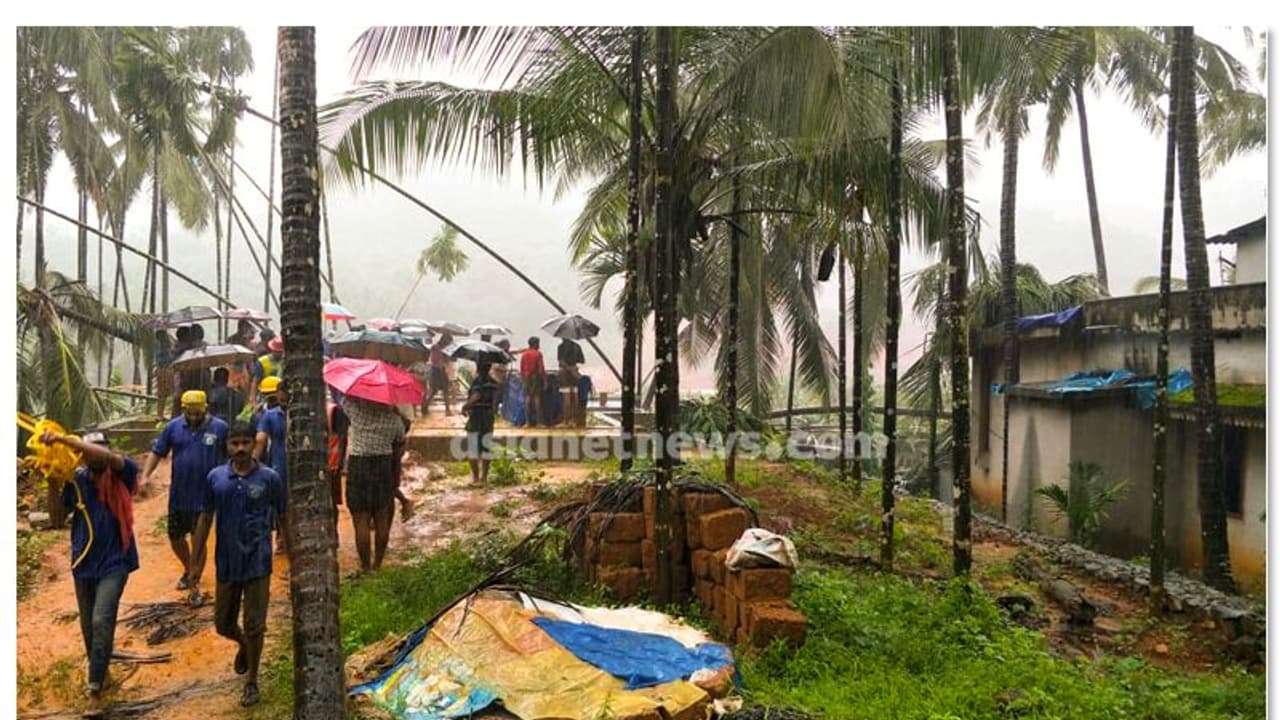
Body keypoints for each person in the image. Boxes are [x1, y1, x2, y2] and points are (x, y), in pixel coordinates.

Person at [189, 421, 286, 708]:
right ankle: (243, 644)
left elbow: (284, 517)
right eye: (235, 443)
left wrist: (293, 558)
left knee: (255, 625)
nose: (241, 448)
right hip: (227, 562)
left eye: (246, 442)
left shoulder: (269, 478)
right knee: (223, 624)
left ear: (254, 444)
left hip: (258, 562)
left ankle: (252, 681)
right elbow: (205, 519)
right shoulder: (215, 478)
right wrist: (194, 563)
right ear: (227, 446)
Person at [43, 429, 139, 713]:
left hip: (115, 561)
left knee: (101, 619)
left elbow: (105, 456)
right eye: (87, 450)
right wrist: (53, 482)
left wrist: (64, 440)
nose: (92, 455)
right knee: (89, 626)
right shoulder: (77, 479)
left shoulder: (123, 470)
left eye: (97, 448)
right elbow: (57, 519)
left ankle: (94, 688)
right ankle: (101, 669)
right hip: (83, 562)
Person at [141, 390, 228, 606]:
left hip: (206, 496)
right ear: (183, 410)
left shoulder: (219, 428)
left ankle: (194, 583)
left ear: (205, 408)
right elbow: (157, 452)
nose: (194, 416)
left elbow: (230, 456)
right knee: (175, 537)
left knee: (199, 539)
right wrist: (145, 476)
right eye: (190, 412)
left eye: (198, 412)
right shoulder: (173, 427)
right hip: (180, 494)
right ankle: (189, 568)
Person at [341, 396, 406, 573]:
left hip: (359, 465)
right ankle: (377, 565)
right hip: (383, 466)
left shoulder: (357, 411)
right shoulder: (395, 420)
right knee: (381, 517)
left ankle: (365, 567)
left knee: (360, 518)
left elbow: (343, 399)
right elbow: (400, 442)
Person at [253, 377, 289, 555]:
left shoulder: (270, 415)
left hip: (287, 465)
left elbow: (261, 440)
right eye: (280, 400)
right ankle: (282, 538)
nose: (283, 403)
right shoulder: (270, 415)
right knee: (280, 505)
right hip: (279, 465)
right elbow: (260, 440)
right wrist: (253, 463)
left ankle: (284, 539)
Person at [461, 363, 502, 484]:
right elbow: (495, 405)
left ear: (478, 368)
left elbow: (476, 395)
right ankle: (484, 477)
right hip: (488, 416)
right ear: (489, 368)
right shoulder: (494, 383)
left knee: (473, 447)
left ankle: (475, 478)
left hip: (476, 416)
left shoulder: (478, 381)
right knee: (486, 447)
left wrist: (465, 406)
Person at [422, 333, 454, 416]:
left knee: (445, 391)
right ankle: (425, 406)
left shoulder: (445, 349)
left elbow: (447, 360)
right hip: (436, 370)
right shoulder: (435, 347)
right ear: (443, 340)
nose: (448, 343)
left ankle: (447, 410)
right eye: (448, 341)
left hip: (442, 370)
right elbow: (434, 360)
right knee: (434, 390)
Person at [557, 337, 585, 428]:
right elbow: (582, 360)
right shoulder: (577, 346)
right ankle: (574, 421)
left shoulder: (561, 347)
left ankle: (566, 421)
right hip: (574, 374)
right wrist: (573, 367)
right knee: (575, 397)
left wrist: (568, 368)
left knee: (566, 398)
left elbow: (561, 361)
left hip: (565, 374)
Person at [249, 336, 284, 407]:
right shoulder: (262, 361)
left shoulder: (286, 361)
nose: (278, 353)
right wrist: (253, 400)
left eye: (280, 352)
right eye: (276, 351)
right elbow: (255, 382)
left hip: (281, 396)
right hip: (265, 396)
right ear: (272, 349)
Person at [519, 336, 546, 427]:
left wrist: (523, 378)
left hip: (526, 377)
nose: (539, 345)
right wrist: (544, 380)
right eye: (538, 343)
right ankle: (539, 422)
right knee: (537, 399)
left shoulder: (524, 354)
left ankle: (527, 422)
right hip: (535, 377)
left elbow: (521, 368)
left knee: (527, 399)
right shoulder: (538, 354)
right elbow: (541, 369)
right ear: (535, 344)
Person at [153, 330, 176, 420]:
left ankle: (162, 414)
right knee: (163, 394)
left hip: (166, 370)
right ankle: (160, 414)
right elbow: (161, 360)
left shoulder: (167, 346)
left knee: (166, 393)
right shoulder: (160, 347)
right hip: (164, 370)